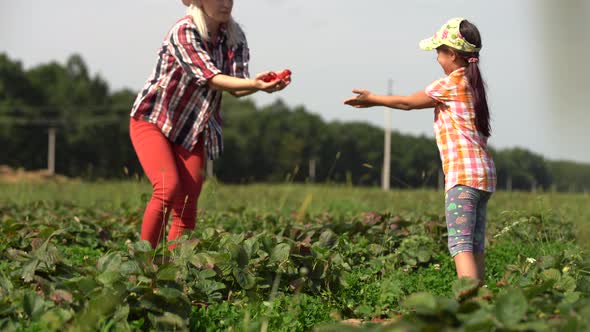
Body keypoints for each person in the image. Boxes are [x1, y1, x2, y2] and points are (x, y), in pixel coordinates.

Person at [344, 18, 496, 284]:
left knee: (460, 245)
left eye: (439, 51)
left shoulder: (450, 84)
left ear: (452, 54)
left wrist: (372, 99)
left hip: (462, 178)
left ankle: (470, 308)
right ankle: (483, 305)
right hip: (483, 176)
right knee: (475, 245)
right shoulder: (473, 85)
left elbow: (407, 103)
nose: (437, 58)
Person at [130, 0, 291, 249]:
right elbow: (211, 78)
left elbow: (237, 86)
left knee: (188, 201)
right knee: (167, 188)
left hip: (191, 129)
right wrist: (255, 85)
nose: (225, 4)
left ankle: (174, 270)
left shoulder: (234, 37)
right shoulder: (184, 31)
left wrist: (261, 84)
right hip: (153, 120)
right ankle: (143, 262)